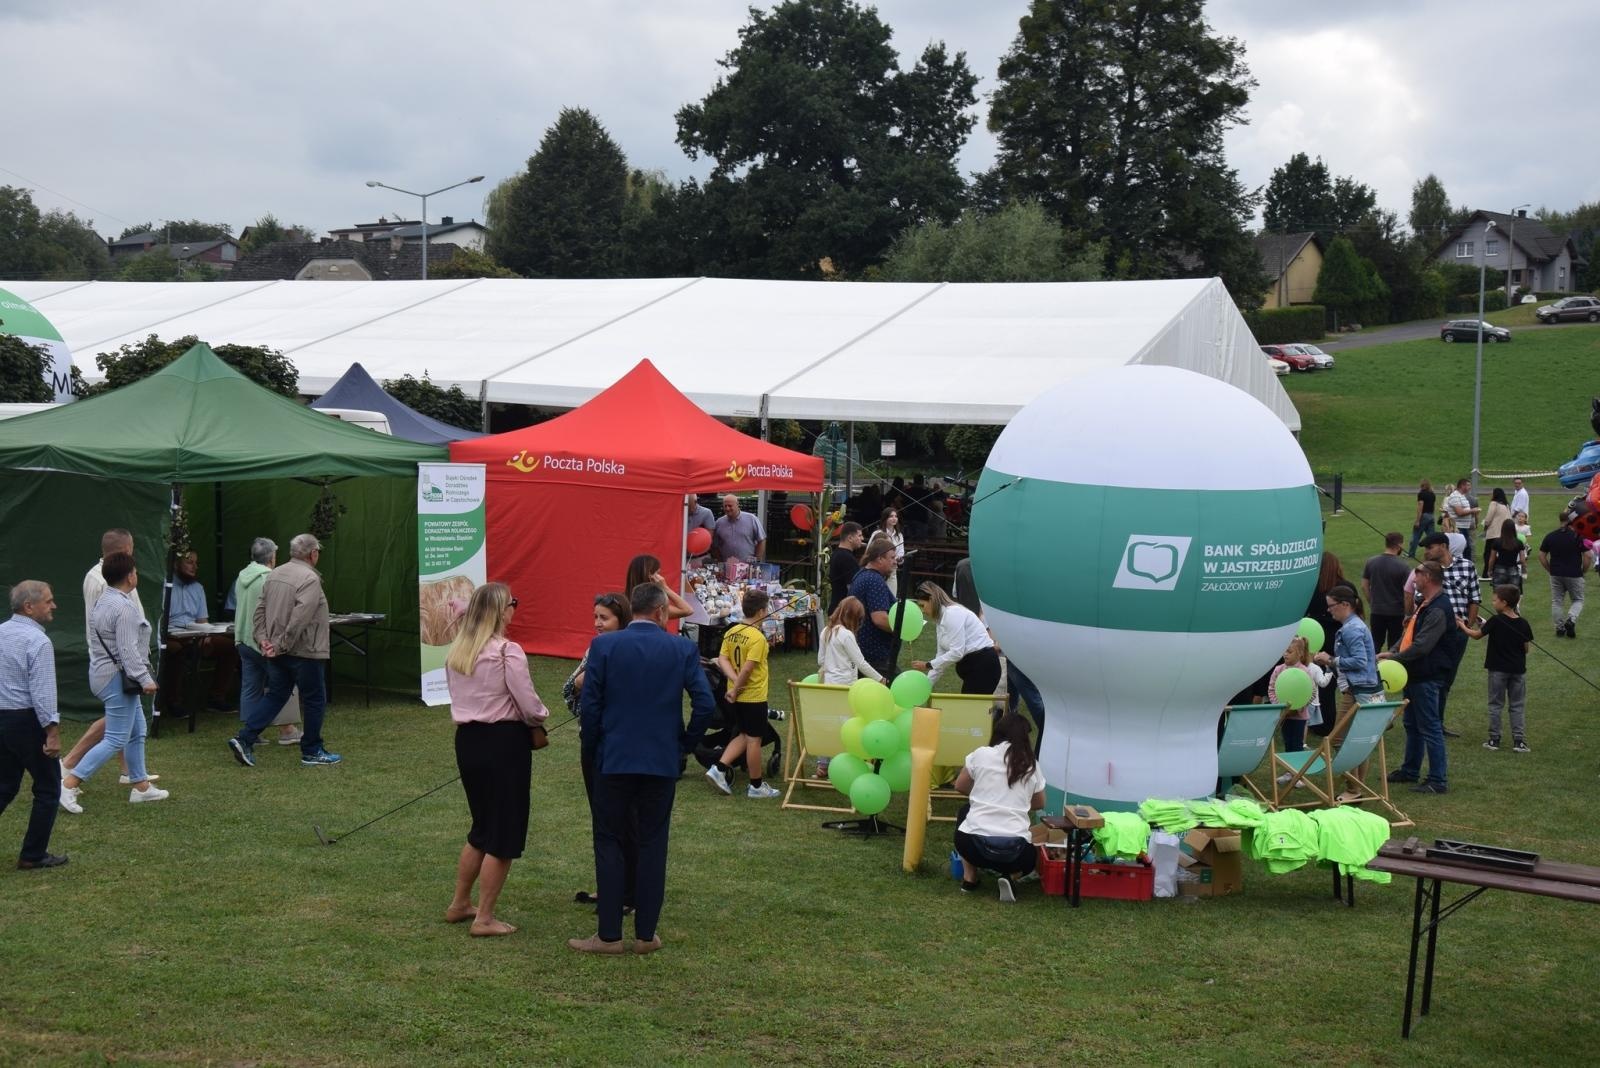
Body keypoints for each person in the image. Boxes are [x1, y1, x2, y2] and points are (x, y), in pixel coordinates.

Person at [572, 583, 715, 955]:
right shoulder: (682, 648)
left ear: (633, 610)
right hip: (660, 761)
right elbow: (704, 703)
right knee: (653, 843)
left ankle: (608, 935)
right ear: (660, 612)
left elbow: (591, 705)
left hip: (612, 759)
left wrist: (593, 749)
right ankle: (646, 935)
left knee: (609, 840)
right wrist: (684, 744)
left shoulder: (604, 646)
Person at [444, 582, 549, 937]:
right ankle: (484, 918)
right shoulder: (507, 651)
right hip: (503, 742)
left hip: (468, 741)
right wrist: (540, 718)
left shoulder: (458, 651)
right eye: (512, 604)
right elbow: (528, 703)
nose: (514, 609)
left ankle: (460, 902)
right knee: (504, 832)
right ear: (500, 611)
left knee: (482, 826)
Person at [61, 553, 167, 809]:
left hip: (102, 673)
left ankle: (141, 786)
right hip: (117, 678)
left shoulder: (104, 601)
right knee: (116, 738)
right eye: (136, 572)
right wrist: (145, 679)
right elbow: (127, 650)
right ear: (130, 576)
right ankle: (68, 785)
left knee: (137, 730)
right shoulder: (124, 607)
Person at [228, 533, 340, 768]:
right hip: (304, 650)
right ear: (313, 554)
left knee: (276, 695)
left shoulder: (275, 573)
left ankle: (245, 738)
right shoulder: (309, 578)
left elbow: (259, 611)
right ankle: (311, 749)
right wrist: (280, 644)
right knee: (314, 699)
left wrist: (263, 640)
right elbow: (301, 618)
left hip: (278, 650)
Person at [61, 529, 144, 800]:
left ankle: (137, 781)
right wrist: (141, 674)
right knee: (118, 730)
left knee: (135, 725)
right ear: (124, 551)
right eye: (131, 548)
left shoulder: (116, 581)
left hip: (120, 664)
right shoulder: (101, 583)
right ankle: (69, 774)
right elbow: (113, 633)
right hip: (115, 666)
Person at [563, 592, 632, 911]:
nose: (597, 624)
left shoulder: (632, 651)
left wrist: (584, 684)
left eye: (604, 618)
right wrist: (581, 683)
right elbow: (570, 691)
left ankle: (626, 892)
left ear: (622, 619)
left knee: (621, 819)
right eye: (595, 617)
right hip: (591, 744)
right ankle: (610, 886)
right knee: (602, 819)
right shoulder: (596, 649)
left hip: (619, 746)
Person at [0, 580, 67, 869]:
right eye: (48, 601)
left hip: (2, 718)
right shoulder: (38, 641)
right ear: (30, 607)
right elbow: (42, 691)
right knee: (49, 787)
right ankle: (33, 854)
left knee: (4, 785)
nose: (53, 606)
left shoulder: (1, 632)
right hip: (25, 720)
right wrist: (52, 731)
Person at [952, 709, 1046, 902]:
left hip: (972, 846)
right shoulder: (1031, 764)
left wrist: (983, 796)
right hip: (1017, 853)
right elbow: (1039, 803)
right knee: (1030, 857)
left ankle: (969, 877)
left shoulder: (981, 754)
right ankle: (1009, 877)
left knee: (964, 812)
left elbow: (960, 786)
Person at [1379, 562, 1452, 794]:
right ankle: (1410, 770)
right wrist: (1393, 651)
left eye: (1417, 573)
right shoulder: (1425, 603)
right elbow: (1410, 632)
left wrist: (1394, 659)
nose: (1414, 577)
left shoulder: (1439, 608)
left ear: (1428, 577)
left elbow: (1422, 646)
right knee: (1412, 724)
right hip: (1412, 673)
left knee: (1430, 726)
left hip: (1426, 675)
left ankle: (1437, 780)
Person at [1314, 584, 1384, 801]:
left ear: (1345, 605)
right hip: (1366, 688)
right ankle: (1357, 788)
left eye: (1332, 606)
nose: (1329, 610)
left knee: (1339, 740)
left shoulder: (1351, 629)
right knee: (1360, 740)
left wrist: (1330, 660)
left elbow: (1360, 662)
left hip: (1356, 691)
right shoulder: (1357, 625)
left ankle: (1353, 789)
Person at [708, 588, 779, 799]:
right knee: (754, 739)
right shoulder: (758, 638)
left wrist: (732, 685)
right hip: (752, 696)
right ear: (760, 612)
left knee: (744, 734)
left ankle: (718, 769)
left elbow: (723, 659)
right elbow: (747, 669)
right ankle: (756, 787)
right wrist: (737, 686)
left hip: (736, 696)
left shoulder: (732, 631)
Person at [233, 539, 301, 747]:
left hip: (243, 638)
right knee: (284, 681)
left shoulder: (242, 577)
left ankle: (252, 732)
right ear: (272, 557)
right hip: (263, 640)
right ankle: (287, 729)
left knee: (250, 686)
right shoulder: (270, 579)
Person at [1458, 584, 1533, 754]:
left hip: (1497, 670)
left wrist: (1462, 626)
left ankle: (1494, 739)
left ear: (1504, 602)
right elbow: (1526, 648)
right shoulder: (1523, 623)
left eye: (1494, 600)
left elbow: (1477, 636)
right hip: (1518, 670)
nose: (1492, 603)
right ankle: (1519, 741)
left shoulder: (1496, 620)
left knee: (1495, 704)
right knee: (1517, 705)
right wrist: (1484, 623)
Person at [161, 550, 238, 712]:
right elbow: (159, 621)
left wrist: (208, 634)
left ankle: (216, 698)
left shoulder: (198, 588)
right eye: (190, 562)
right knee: (176, 650)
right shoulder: (165, 586)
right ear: (176, 565)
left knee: (231, 646)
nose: (194, 567)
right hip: (170, 635)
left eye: (196, 563)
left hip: (194, 634)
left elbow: (202, 621)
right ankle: (174, 702)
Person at [1420, 532, 1478, 738]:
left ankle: (1438, 723)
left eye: (1430, 547)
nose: (1426, 552)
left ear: (1444, 546)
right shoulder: (1426, 570)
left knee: (1447, 680)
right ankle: (1429, 723)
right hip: (1432, 634)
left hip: (1456, 635)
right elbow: (1419, 599)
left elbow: (1474, 599)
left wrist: (1467, 627)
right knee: (1429, 677)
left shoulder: (1467, 566)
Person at [911, 581, 1000, 695]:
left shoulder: (952, 614)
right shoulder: (940, 621)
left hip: (984, 667)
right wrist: (926, 686)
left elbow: (957, 652)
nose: (923, 611)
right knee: (967, 708)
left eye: (923, 605)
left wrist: (928, 664)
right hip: (973, 670)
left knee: (970, 708)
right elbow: (941, 658)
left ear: (932, 600)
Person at [1269, 636, 1329, 779]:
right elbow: (1272, 689)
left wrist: (1298, 708)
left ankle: (1299, 775)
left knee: (1297, 745)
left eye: (1289, 651)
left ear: (1300, 654)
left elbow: (1311, 692)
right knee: (1287, 743)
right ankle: (1289, 772)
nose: (1285, 654)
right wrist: (1280, 707)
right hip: (1284, 715)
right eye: (1284, 651)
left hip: (1299, 717)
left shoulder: (1305, 671)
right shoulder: (1278, 670)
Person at [1305, 552, 1348, 737]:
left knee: (1321, 683)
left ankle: (1321, 723)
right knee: (1333, 682)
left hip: (1317, 637)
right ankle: (1328, 723)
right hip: (1338, 635)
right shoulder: (1345, 587)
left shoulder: (1312, 588)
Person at [847, 539, 900, 679]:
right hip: (875, 654)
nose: (895, 561)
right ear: (879, 558)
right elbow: (880, 619)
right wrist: (902, 629)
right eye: (892, 558)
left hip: (861, 649)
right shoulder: (874, 580)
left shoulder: (861, 574)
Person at [1539, 505, 1593, 638]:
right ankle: (1571, 619)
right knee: (1578, 600)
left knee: (1557, 601)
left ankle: (1559, 627)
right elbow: (1588, 555)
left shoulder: (1550, 536)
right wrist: (1584, 570)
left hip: (1556, 573)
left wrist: (1549, 569)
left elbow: (1541, 555)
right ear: (1572, 521)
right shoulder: (1577, 537)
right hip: (1574, 573)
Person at [817, 596, 884, 686]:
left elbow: (820, 660)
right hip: (846, 685)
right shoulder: (846, 635)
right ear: (854, 618)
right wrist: (880, 679)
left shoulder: (826, 631)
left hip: (828, 684)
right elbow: (860, 663)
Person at [1362, 533, 1411, 653]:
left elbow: (1364, 586)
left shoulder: (1371, 562)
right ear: (1399, 545)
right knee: (1394, 647)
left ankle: (1373, 669)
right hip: (1396, 613)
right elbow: (1407, 593)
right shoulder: (1403, 566)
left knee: (1375, 645)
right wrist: (1408, 611)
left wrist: (1372, 602)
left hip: (1377, 611)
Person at [623, 555, 694, 621]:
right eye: (657, 573)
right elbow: (687, 610)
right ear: (650, 576)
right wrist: (665, 588)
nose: (661, 577)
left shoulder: (622, 602)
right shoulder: (653, 607)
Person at [712, 494, 765, 564]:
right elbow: (715, 545)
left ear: (737, 505)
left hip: (748, 566)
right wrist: (720, 562)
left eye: (730, 506)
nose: (727, 508)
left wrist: (757, 560)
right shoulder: (719, 523)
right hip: (727, 567)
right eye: (725, 506)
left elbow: (761, 540)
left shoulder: (751, 519)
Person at [827, 522, 864, 614]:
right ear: (850, 538)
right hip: (843, 611)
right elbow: (853, 588)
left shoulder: (837, 553)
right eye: (859, 536)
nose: (862, 538)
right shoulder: (847, 558)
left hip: (836, 607)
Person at [870, 507, 906, 596]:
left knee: (892, 597)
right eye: (891, 516)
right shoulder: (877, 533)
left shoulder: (899, 535)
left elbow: (901, 552)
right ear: (885, 518)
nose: (894, 518)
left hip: (892, 570)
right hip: (878, 569)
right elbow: (869, 551)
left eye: (896, 516)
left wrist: (900, 559)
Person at [1484, 520, 1526, 592]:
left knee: (1498, 594)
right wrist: (1524, 570)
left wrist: (1489, 570)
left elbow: (1492, 559)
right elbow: (1522, 560)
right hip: (1513, 569)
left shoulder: (1497, 542)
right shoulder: (1518, 542)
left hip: (1499, 569)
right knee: (1513, 595)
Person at [1444, 478, 1479, 562]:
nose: (1469, 487)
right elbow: (1459, 512)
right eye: (1467, 485)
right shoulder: (1455, 496)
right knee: (1462, 549)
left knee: (1467, 549)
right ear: (1462, 486)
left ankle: (1466, 565)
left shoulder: (1462, 496)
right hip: (1458, 527)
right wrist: (1472, 510)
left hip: (1464, 527)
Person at [1481, 489, 1512, 574]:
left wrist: (1485, 526)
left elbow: (1488, 518)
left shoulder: (1494, 503)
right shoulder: (1506, 505)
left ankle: (1487, 572)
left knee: (1488, 554)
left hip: (1493, 533)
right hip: (1503, 534)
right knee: (1501, 554)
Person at [1409, 479, 1436, 558]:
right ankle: (1434, 553)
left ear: (1422, 485)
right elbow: (1433, 506)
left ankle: (1411, 554)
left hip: (1424, 516)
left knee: (1416, 536)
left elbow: (1420, 507)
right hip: (1431, 516)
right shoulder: (1432, 494)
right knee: (1431, 537)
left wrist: (1417, 521)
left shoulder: (1421, 494)